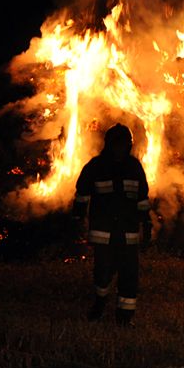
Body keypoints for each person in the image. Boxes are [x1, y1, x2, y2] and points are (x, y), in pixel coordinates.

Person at [73, 124, 151, 325]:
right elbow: (82, 195)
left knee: (129, 275)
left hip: (128, 234)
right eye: (116, 144)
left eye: (123, 145)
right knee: (103, 273)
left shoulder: (134, 167)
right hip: (103, 233)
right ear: (108, 144)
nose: (119, 149)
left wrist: (146, 224)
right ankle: (100, 303)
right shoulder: (95, 166)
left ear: (129, 145)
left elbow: (142, 199)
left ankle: (124, 318)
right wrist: (78, 219)